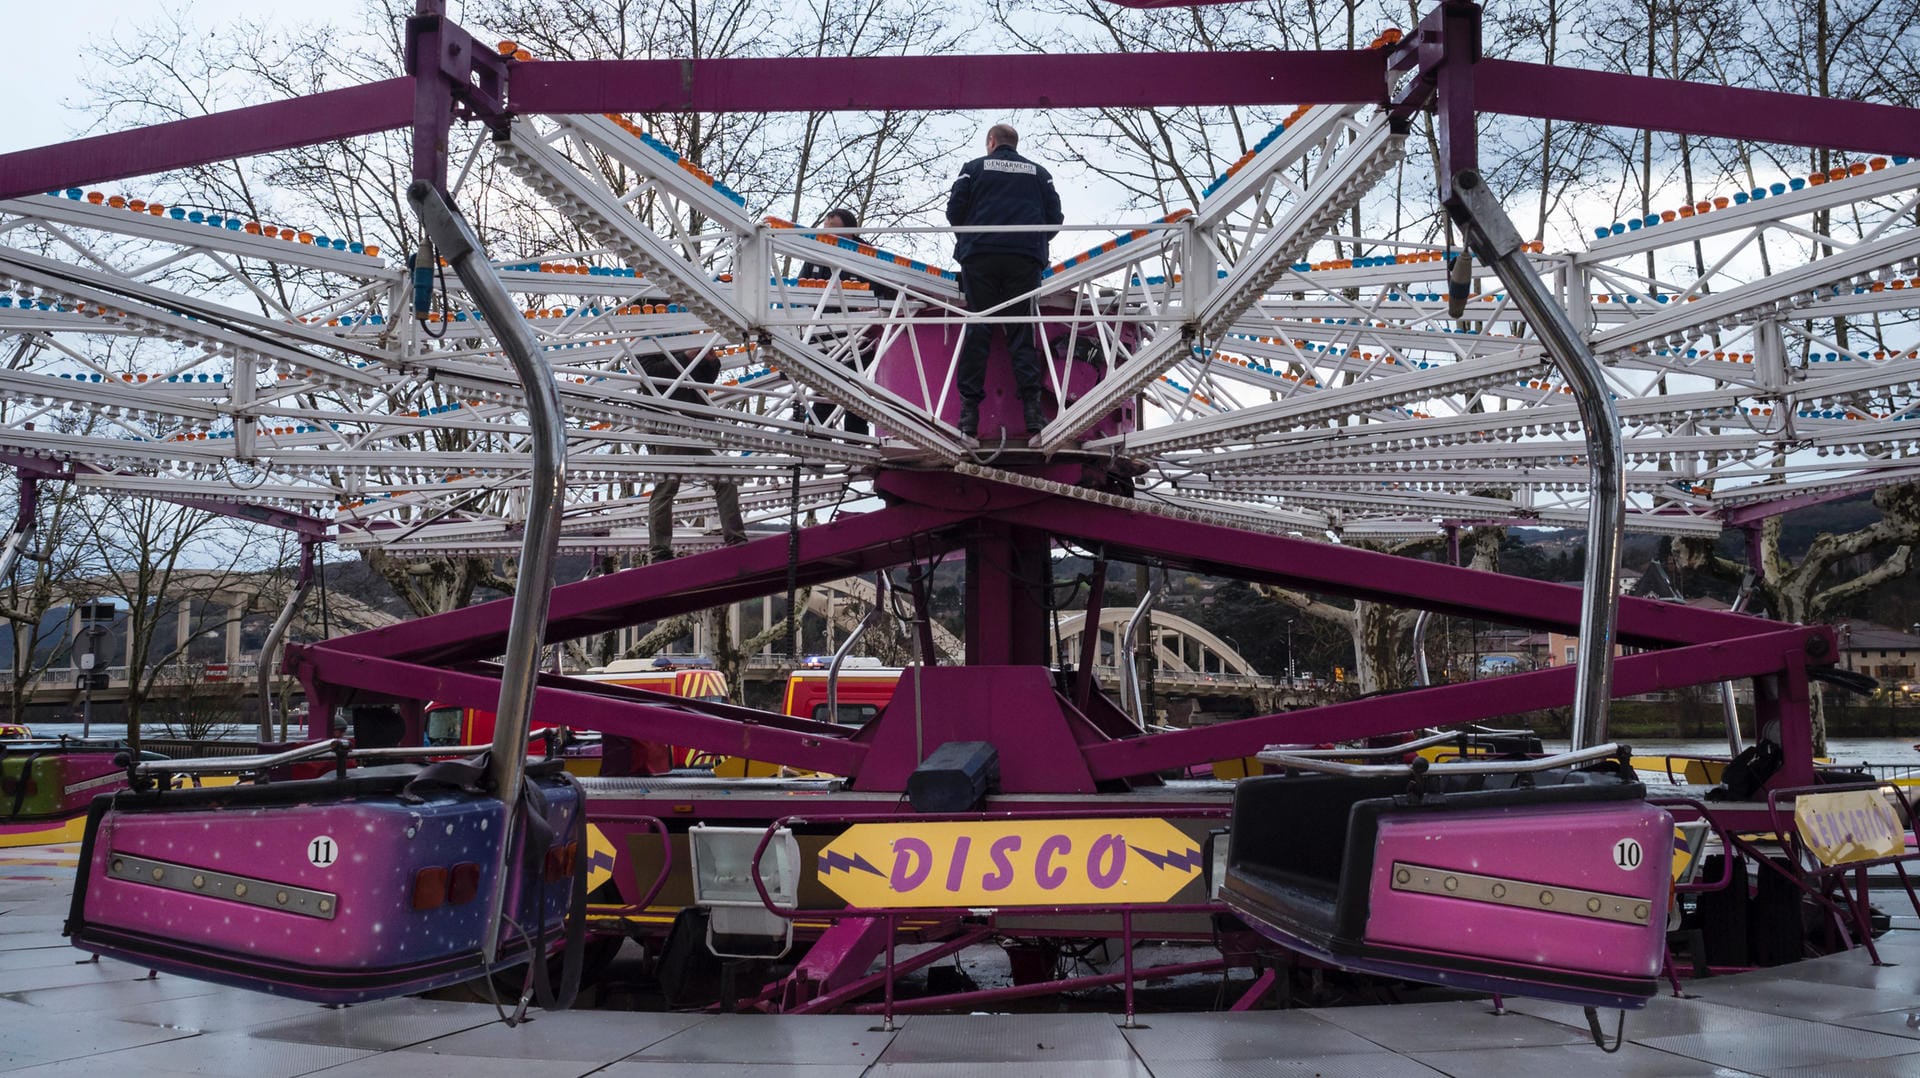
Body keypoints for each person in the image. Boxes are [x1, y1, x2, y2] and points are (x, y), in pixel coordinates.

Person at [945, 123, 1063, 439]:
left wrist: (976, 237)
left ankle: (968, 416)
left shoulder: (973, 169)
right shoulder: (1039, 174)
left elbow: (954, 211)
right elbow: (1055, 218)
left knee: (978, 328)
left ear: (992, 142)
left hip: (980, 254)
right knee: (1021, 331)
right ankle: (1034, 416)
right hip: (1024, 257)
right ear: (1015, 143)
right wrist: (1032, 242)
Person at [642, 346, 747, 562]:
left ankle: (736, 538)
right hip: (668, 425)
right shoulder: (647, 342)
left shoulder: (688, 337)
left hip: (696, 424)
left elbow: (705, 381)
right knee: (667, 485)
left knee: (725, 477)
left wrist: (710, 361)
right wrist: (686, 355)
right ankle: (660, 550)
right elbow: (650, 375)